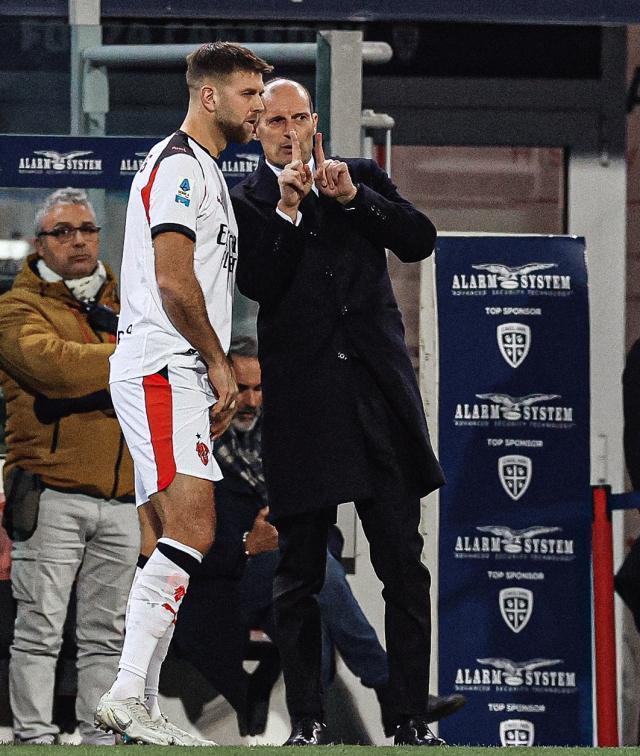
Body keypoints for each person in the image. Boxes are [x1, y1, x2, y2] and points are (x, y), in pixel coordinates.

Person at [231, 78, 446, 746]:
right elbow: (257, 282)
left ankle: (408, 717)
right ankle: (308, 720)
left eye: (297, 118)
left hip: (376, 402)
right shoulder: (248, 200)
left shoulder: (357, 176)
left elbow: (418, 239)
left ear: (314, 122)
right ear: (256, 130)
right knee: (298, 572)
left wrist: (353, 200)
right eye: (273, 121)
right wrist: (289, 211)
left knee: (403, 566)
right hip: (305, 410)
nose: (287, 131)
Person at [94, 42, 272, 746]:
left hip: (171, 369)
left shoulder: (205, 171)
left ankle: (139, 703)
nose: (258, 107)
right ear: (209, 96)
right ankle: (125, 693)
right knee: (194, 529)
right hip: (164, 365)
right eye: (249, 93)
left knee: (166, 537)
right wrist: (218, 364)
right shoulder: (178, 166)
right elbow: (173, 279)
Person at [173, 337, 464, 740]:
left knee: (316, 612)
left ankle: (312, 732)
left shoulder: (282, 441)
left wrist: (298, 539)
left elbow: (330, 530)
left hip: (286, 579)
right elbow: (181, 537)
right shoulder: (198, 444)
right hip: (225, 584)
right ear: (221, 385)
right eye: (242, 389)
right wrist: (247, 543)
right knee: (312, 572)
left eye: (260, 389)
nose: (252, 401)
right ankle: (388, 686)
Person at [0, 187, 139, 745]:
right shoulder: (16, 306)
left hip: (123, 495)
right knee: (39, 631)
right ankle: (34, 739)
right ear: (40, 244)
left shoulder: (129, 301)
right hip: (51, 490)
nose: (77, 240)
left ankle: (100, 740)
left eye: (86, 229)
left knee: (108, 637)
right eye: (62, 232)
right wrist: (136, 354)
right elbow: (57, 370)